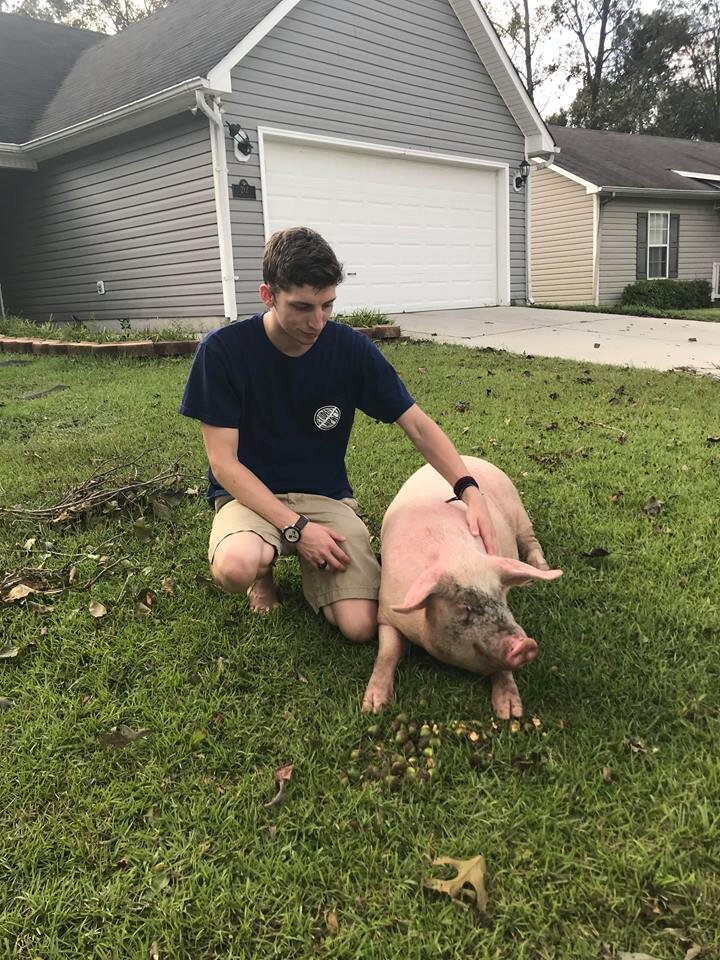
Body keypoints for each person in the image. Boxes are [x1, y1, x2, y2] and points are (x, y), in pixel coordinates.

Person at [180, 226, 495, 658]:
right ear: (268, 295)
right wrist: (297, 528)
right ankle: (264, 572)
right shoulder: (222, 352)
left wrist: (468, 489)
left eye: (327, 305)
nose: (318, 322)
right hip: (251, 498)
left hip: (325, 498)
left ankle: (317, 572)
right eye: (303, 307)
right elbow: (224, 465)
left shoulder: (349, 349)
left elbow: (418, 425)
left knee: (360, 626)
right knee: (235, 565)